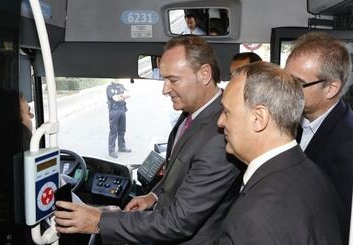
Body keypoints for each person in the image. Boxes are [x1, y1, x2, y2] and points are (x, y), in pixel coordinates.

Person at [55, 35, 241, 244]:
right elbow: (179, 174)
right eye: (163, 79)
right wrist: (154, 196)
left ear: (204, 74)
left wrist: (99, 221)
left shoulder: (221, 133)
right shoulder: (192, 113)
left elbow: (179, 222)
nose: (165, 89)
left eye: (173, 80)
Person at [214, 61, 343, 244]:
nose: (220, 122)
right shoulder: (314, 174)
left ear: (259, 119)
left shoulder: (254, 217)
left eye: (227, 112)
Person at [284, 32, 353, 242]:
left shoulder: (350, 144)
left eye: (297, 83)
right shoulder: (292, 120)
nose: (286, 90)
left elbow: (336, 223)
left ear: (331, 88)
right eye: (286, 80)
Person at [106, 80, 131, 158]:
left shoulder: (121, 86)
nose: (117, 79)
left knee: (122, 130)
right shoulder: (109, 87)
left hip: (122, 109)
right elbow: (115, 98)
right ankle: (111, 151)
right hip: (114, 110)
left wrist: (121, 96)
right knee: (113, 131)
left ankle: (122, 147)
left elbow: (129, 94)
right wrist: (123, 96)